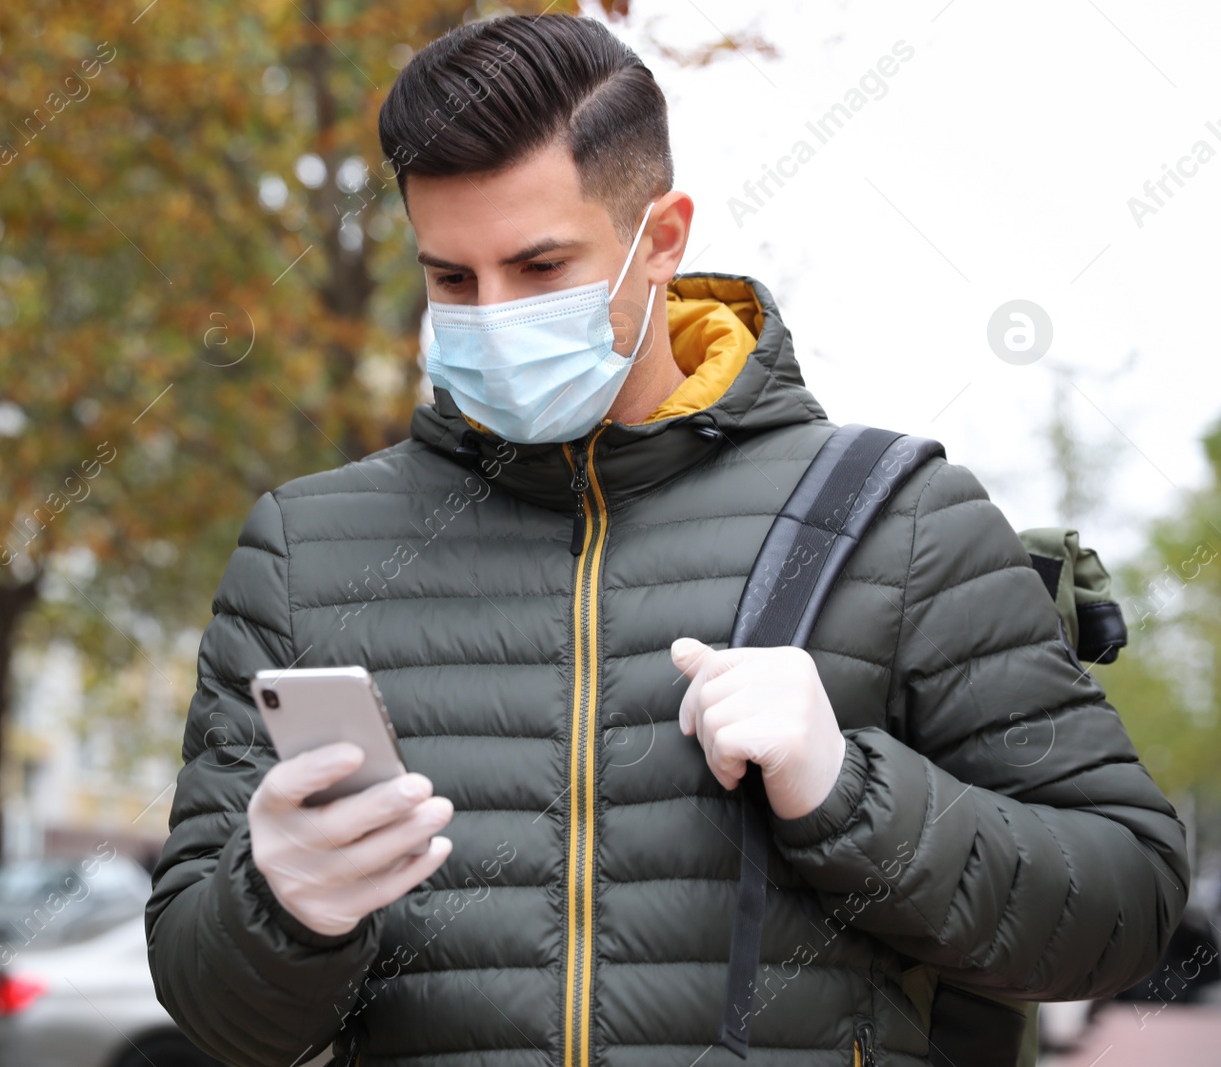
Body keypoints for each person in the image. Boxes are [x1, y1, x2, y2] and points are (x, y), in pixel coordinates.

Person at [145, 13, 1189, 1067]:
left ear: (662, 237)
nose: (492, 316)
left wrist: (850, 789)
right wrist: (278, 905)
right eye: (451, 279)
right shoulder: (305, 549)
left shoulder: (898, 519)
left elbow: (1127, 905)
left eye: (540, 265)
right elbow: (215, 1009)